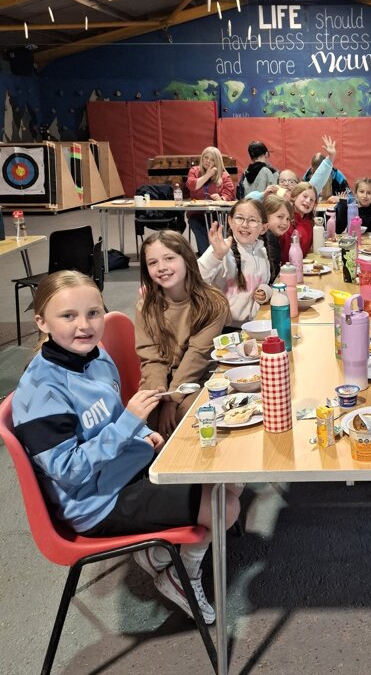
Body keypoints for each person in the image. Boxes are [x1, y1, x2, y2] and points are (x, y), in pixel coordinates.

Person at [11, 271, 242, 624]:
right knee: (225, 506)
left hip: (124, 468)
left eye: (93, 313)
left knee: (231, 469)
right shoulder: (42, 392)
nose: (84, 325)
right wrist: (127, 426)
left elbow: (109, 416)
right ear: (42, 322)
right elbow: (68, 470)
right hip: (97, 502)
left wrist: (139, 433)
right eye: (68, 316)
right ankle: (180, 575)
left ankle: (158, 556)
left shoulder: (96, 357)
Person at [136, 231, 230, 438]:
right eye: (152, 263)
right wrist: (160, 395)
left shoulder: (213, 302)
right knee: (146, 417)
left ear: (186, 259)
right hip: (160, 381)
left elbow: (198, 355)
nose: (161, 267)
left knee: (188, 415)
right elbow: (151, 357)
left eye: (169, 258)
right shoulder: (146, 306)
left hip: (199, 375)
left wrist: (172, 400)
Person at [198, 199, 272, 327]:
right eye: (239, 218)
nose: (245, 225)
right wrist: (216, 256)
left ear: (264, 228)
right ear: (230, 221)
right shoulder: (221, 249)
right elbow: (196, 279)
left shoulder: (262, 251)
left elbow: (265, 283)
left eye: (252, 220)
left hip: (257, 323)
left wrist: (266, 291)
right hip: (226, 328)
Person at [185, 146, 235, 255]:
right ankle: (207, 257)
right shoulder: (194, 171)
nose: (208, 161)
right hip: (197, 214)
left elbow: (229, 193)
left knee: (219, 228)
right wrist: (208, 175)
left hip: (217, 215)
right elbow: (192, 186)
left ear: (217, 162)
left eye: (212, 159)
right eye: (206, 158)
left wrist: (221, 198)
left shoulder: (224, 175)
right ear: (202, 158)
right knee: (197, 226)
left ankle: (218, 256)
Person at [279, 182, 318, 261]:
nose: (308, 201)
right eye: (305, 196)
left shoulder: (310, 222)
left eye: (312, 200)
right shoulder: (285, 220)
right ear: (294, 196)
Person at [263, 194, 294, 283]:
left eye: (288, 219)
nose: (285, 223)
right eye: (280, 217)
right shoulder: (269, 238)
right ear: (265, 216)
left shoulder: (272, 236)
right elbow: (271, 277)